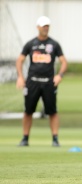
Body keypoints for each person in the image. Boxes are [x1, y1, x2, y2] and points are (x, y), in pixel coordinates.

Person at [16, 16, 67, 147]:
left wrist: (59, 75)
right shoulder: (31, 44)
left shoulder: (54, 44)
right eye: (44, 26)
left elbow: (64, 62)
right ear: (38, 27)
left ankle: (55, 139)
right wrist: (20, 77)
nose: (46, 28)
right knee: (28, 111)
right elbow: (20, 61)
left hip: (49, 83)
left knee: (52, 111)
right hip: (32, 82)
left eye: (47, 26)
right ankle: (25, 138)